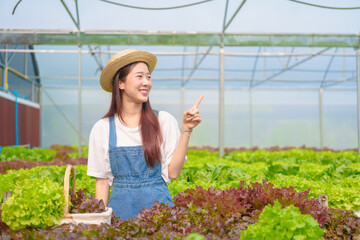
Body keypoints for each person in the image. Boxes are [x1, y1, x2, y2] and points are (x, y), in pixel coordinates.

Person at [87, 49, 203, 220]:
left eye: (148, 77)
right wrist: (99, 224)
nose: (146, 82)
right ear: (121, 84)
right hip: (120, 215)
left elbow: (173, 173)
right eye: (139, 76)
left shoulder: (163, 120)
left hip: (159, 215)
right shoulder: (102, 128)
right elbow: (102, 182)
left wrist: (187, 129)